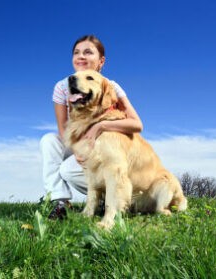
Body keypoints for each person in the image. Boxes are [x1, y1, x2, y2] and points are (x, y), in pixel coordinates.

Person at [40, 35, 143, 219]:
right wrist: (77, 151)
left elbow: (136, 124)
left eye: (88, 52)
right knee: (48, 140)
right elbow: (64, 129)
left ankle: (110, 198)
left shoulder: (109, 85)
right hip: (79, 144)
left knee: (67, 170)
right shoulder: (63, 86)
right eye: (76, 53)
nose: (81, 56)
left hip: (103, 148)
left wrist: (102, 126)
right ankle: (60, 202)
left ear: (101, 61)